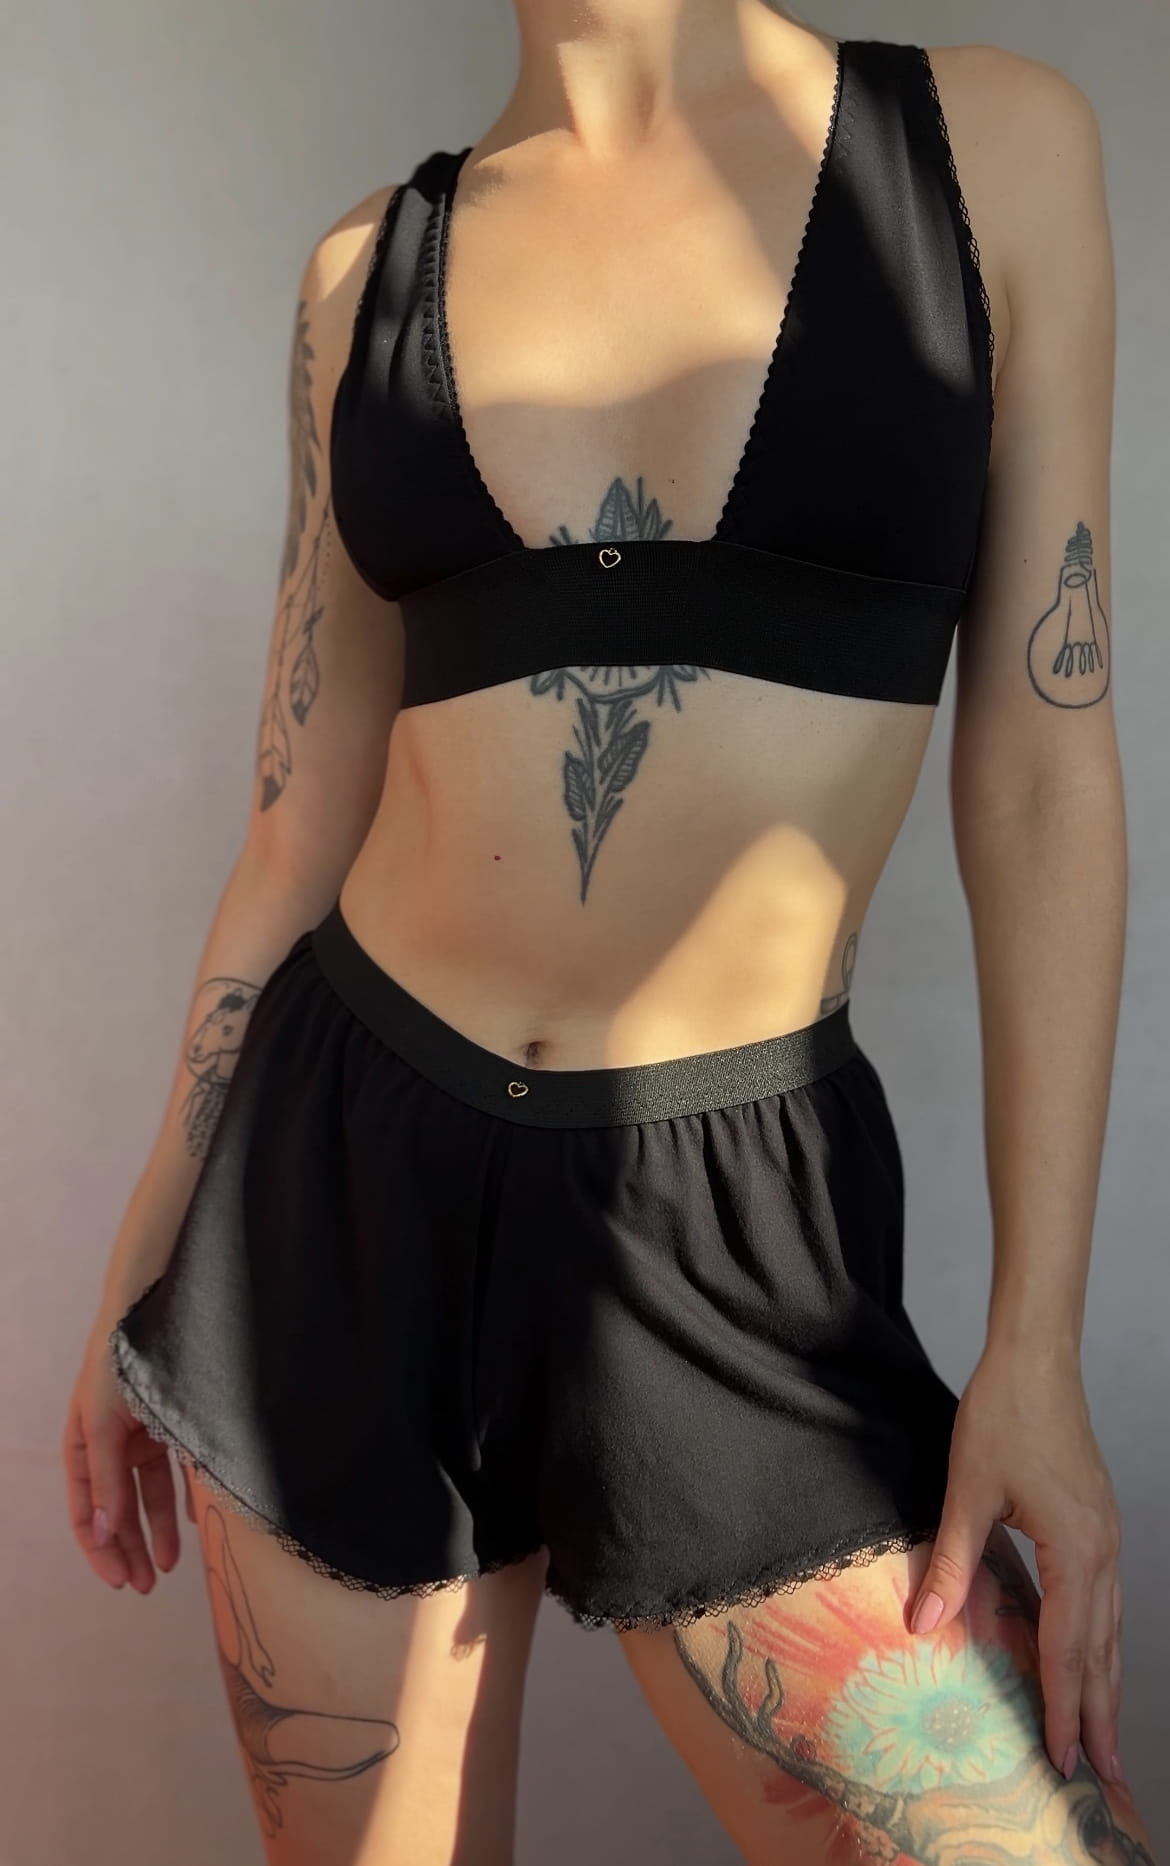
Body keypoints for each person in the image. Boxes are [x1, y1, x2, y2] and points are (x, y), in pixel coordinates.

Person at [63, 0, 1158, 1860]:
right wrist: (141, 1256)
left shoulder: (986, 156)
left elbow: (1045, 773)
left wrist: (1032, 1341)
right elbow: (298, 818)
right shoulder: (364, 280)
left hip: (727, 1217)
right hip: (338, 1187)